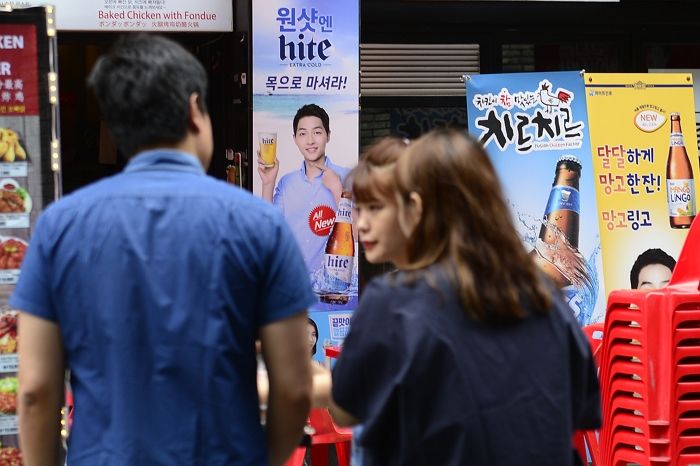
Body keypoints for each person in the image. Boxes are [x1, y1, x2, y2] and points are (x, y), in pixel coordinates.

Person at [13, 34, 314, 466]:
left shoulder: (59, 227)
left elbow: (36, 392)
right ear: (195, 109)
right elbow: (295, 387)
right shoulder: (260, 225)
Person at [329, 128, 601, 466]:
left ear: (415, 207)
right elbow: (581, 408)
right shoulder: (546, 298)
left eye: (379, 205)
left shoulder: (394, 302)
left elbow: (345, 410)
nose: (363, 223)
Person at [257, 104, 351, 275]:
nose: (310, 141)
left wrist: (338, 190)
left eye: (317, 132)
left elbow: (358, 234)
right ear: (295, 139)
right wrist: (268, 184)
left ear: (328, 135)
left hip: (332, 290)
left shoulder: (346, 177)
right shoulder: (287, 183)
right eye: (302, 133)